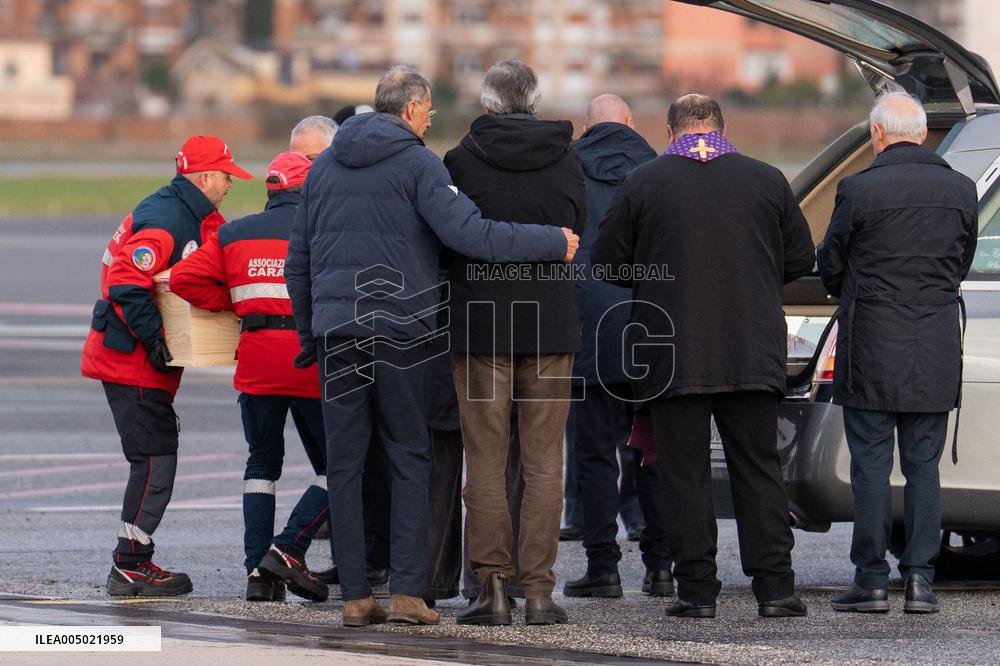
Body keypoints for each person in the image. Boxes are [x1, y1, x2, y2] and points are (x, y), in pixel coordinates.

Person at [285, 64, 578, 628]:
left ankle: (354, 598)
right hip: (400, 333)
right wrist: (551, 240)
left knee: (344, 466)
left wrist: (310, 334)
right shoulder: (419, 164)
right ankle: (409, 595)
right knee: (408, 456)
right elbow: (472, 235)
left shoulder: (322, 169)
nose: (428, 120)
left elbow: (299, 261)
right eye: (428, 112)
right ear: (415, 108)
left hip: (336, 334)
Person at [593, 94, 815, 618]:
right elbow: (801, 259)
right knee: (759, 469)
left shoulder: (643, 181)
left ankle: (696, 593)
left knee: (684, 473)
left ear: (672, 132)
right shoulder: (766, 179)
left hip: (671, 350)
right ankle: (776, 591)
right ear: (720, 126)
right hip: (750, 346)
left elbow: (607, 261)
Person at [819, 92, 978, 614]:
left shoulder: (858, 189)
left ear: (879, 134)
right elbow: (961, 262)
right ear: (923, 130)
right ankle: (919, 582)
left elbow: (831, 266)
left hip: (870, 346)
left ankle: (870, 579)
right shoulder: (960, 190)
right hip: (933, 345)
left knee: (869, 466)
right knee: (924, 468)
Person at [445, 59, 585, 626]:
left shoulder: (460, 159)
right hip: (550, 323)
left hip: (481, 326)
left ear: (487, 103)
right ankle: (541, 592)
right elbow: (578, 228)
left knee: (484, 459)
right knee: (546, 461)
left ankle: (492, 588)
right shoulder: (567, 156)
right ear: (535, 98)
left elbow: (450, 237)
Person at [81, 135, 252, 596]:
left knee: (155, 458)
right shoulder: (167, 219)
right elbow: (125, 280)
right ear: (204, 177)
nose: (230, 184)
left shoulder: (188, 211)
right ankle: (130, 563)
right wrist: (154, 338)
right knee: (155, 462)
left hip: (135, 359)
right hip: (131, 361)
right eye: (226, 176)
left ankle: (134, 558)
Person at [169, 152, 332, 603]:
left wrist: (238, 302)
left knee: (261, 465)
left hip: (257, 363)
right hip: (308, 363)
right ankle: (287, 547)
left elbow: (183, 279)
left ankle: (258, 574)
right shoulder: (320, 232)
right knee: (342, 463)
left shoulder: (232, 233)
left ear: (271, 190)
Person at [562, 94, 673, 600]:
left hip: (587, 331)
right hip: (650, 329)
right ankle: (660, 566)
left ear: (587, 127)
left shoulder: (567, 169)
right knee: (651, 451)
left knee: (593, 455)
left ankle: (603, 567)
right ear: (631, 122)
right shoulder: (658, 169)